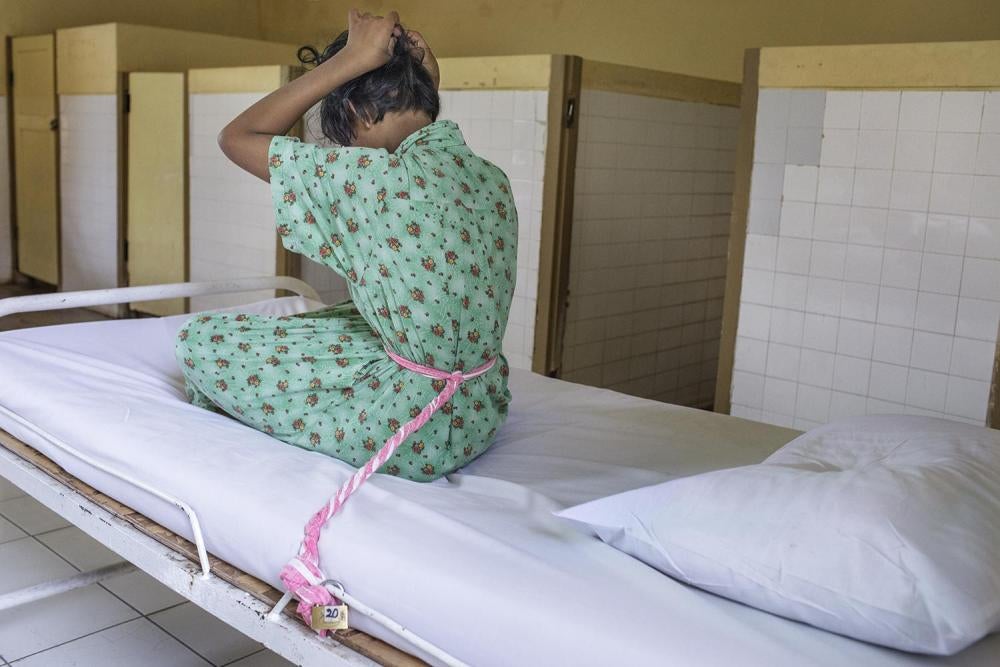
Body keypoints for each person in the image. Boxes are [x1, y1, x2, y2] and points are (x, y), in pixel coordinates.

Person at [174, 9, 516, 483]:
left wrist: (348, 61)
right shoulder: (490, 179)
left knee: (200, 341)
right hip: (480, 412)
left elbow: (236, 138)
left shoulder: (375, 177)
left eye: (346, 138)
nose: (349, 151)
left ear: (358, 113)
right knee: (338, 320)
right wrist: (420, 82)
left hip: (411, 427)